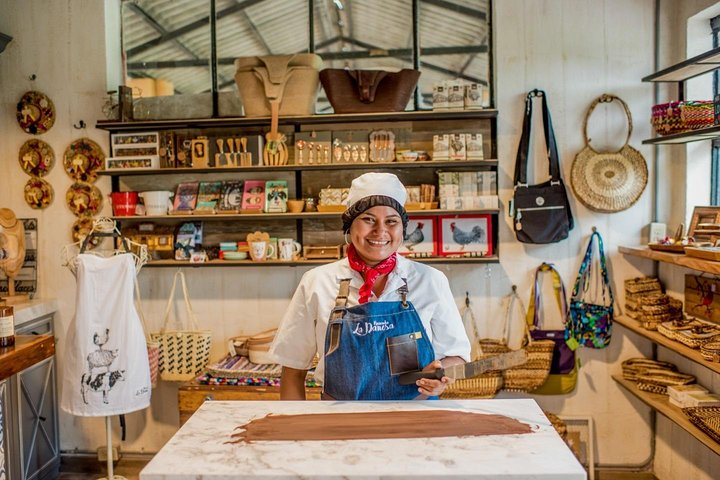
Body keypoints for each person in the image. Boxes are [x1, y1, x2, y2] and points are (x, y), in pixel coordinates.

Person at [269, 172, 470, 400]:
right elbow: (293, 371)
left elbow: (457, 356)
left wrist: (441, 376)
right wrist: (296, 430)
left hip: (416, 418)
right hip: (339, 421)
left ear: (402, 229)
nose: (380, 231)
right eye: (368, 219)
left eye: (391, 221)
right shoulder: (317, 282)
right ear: (349, 226)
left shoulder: (430, 280)